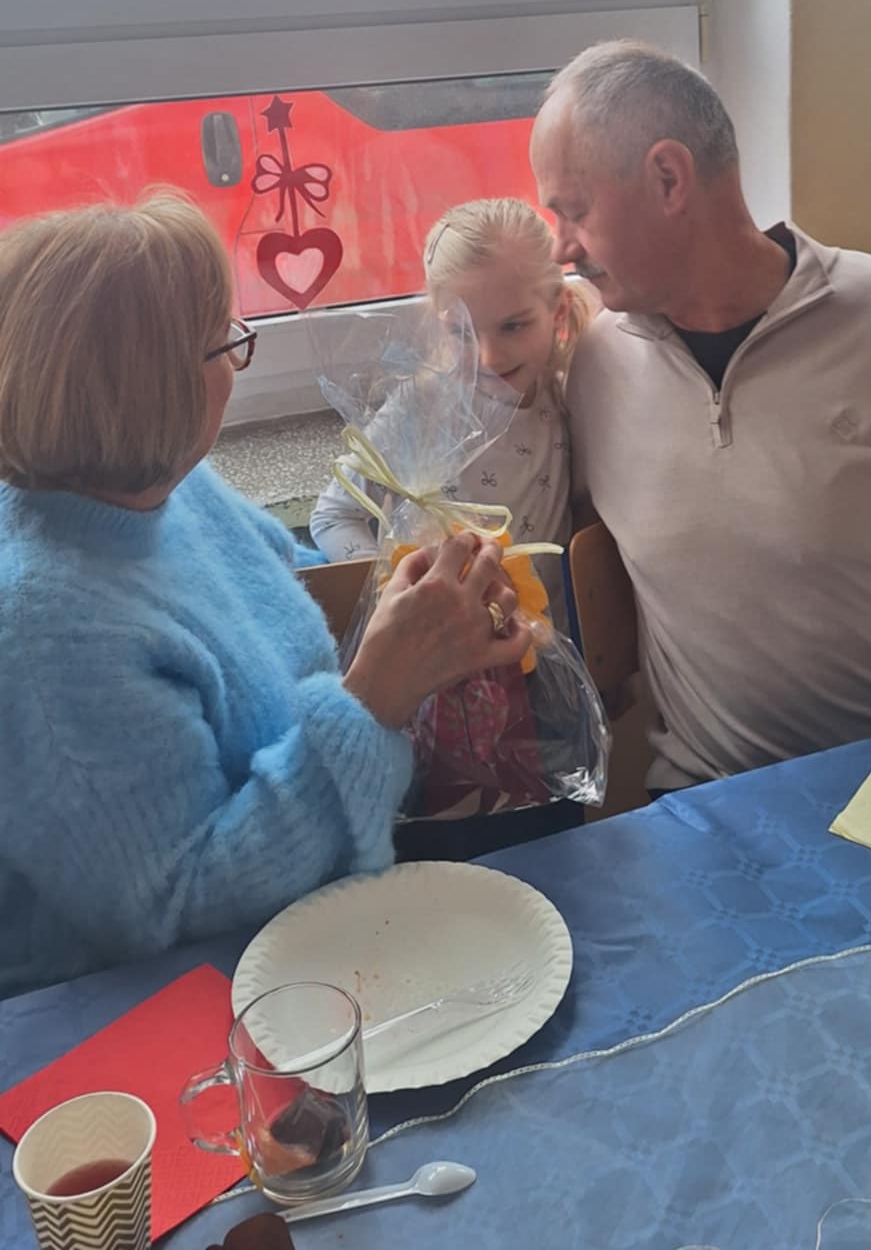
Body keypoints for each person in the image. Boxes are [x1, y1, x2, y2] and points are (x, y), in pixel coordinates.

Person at [530, 41, 871, 793]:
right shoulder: (596, 366)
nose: (562, 248)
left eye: (574, 211)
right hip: (703, 804)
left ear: (669, 178)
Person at [0, 196, 530, 997]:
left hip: (309, 939)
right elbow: (180, 908)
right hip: (152, 1010)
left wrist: (410, 598)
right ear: (152, 390)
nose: (236, 360)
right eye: (227, 341)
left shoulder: (166, 488)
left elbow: (281, 593)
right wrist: (376, 699)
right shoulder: (47, 634)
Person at [312, 197, 597, 596]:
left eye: (513, 326)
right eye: (462, 332)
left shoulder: (567, 395)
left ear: (559, 311)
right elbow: (332, 516)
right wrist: (394, 588)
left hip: (543, 629)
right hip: (438, 627)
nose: (489, 358)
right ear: (439, 323)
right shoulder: (419, 406)